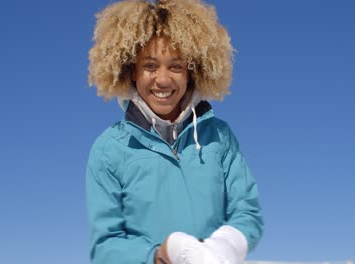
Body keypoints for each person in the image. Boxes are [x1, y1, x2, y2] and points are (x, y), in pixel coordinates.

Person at [85, 0, 263, 263]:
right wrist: (160, 255)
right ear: (132, 70)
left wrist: (226, 245)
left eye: (176, 66)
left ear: (191, 72)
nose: (164, 79)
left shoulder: (220, 137)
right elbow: (105, 245)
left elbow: (247, 212)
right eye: (150, 66)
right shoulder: (109, 149)